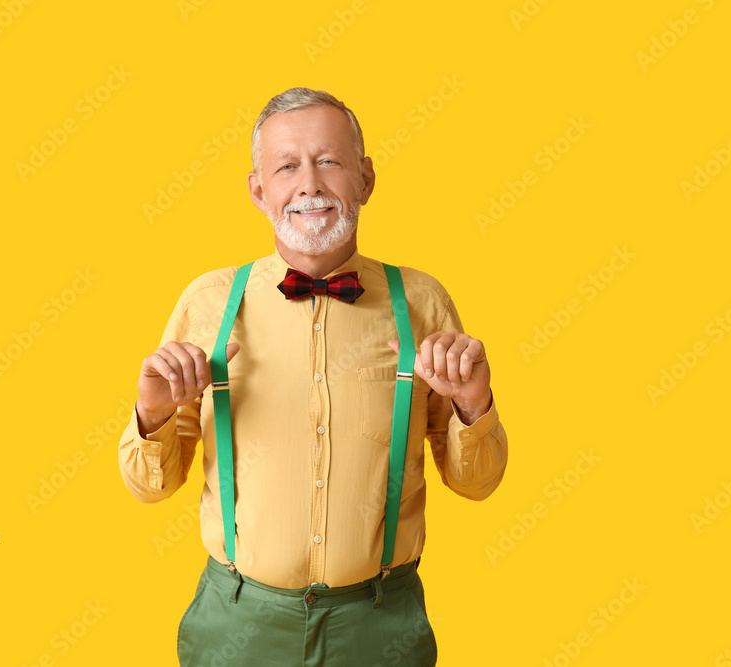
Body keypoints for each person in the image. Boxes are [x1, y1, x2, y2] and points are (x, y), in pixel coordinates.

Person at [117, 87, 508, 666]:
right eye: (286, 166)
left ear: (365, 179)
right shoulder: (209, 303)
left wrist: (474, 407)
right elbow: (149, 488)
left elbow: (478, 484)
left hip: (380, 625)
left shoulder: (422, 303)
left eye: (329, 161)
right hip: (237, 624)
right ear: (258, 190)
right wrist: (151, 417)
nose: (310, 184)